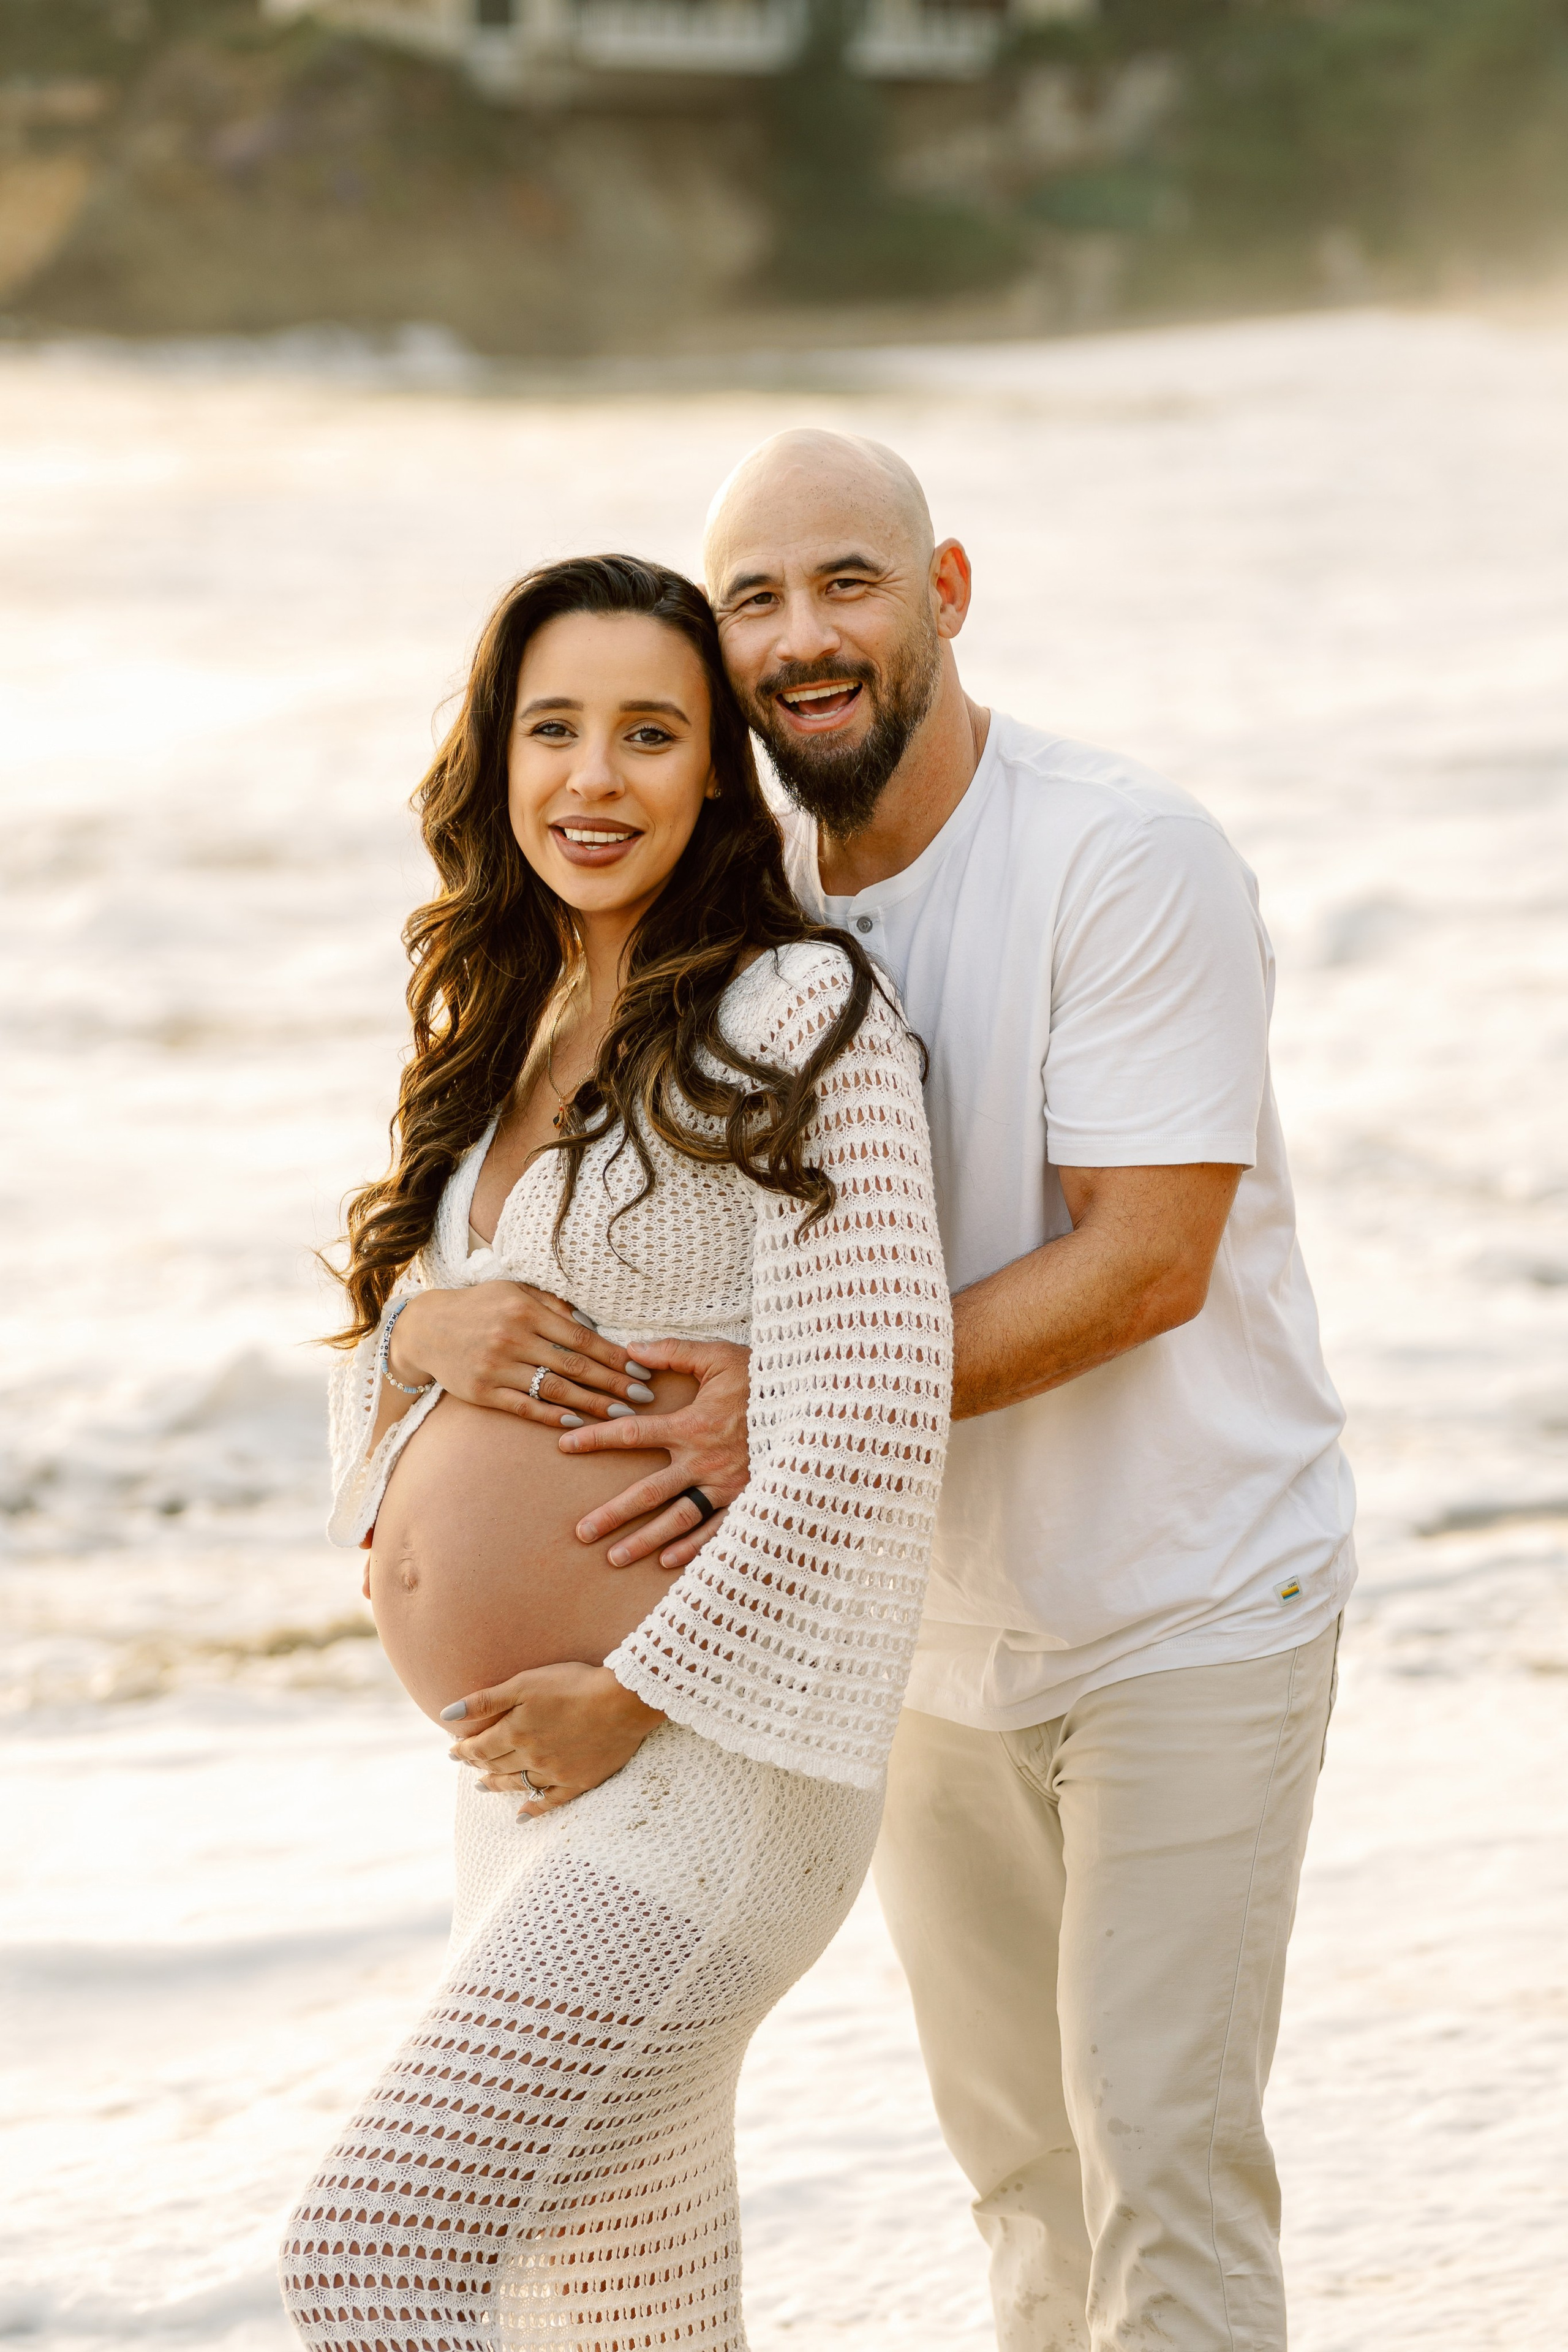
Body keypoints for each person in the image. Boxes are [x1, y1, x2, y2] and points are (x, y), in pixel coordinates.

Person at [519, 434, 1356, 2352]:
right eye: (752, 601)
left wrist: (791, 1402)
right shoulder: (737, 900)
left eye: (849, 583)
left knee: (1161, 2157)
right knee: (1024, 2188)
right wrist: (424, 1340)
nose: (803, 637)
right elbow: (555, 1199)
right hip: (914, 1642)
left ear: (947, 591)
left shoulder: (1117, 854)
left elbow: (1150, 1260)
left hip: (1191, 1597)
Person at [278, 552, 951, 2352]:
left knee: (368, 2255)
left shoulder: (801, 1016)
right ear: (496, 759)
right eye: (552, 728)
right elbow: (385, 1370)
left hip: (709, 1764)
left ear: (717, 773)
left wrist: (638, 1690)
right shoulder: (493, 1030)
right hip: (530, 1783)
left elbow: (875, 1406)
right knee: (626, 2317)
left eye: (651, 734)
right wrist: (418, 1335)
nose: (596, 777)